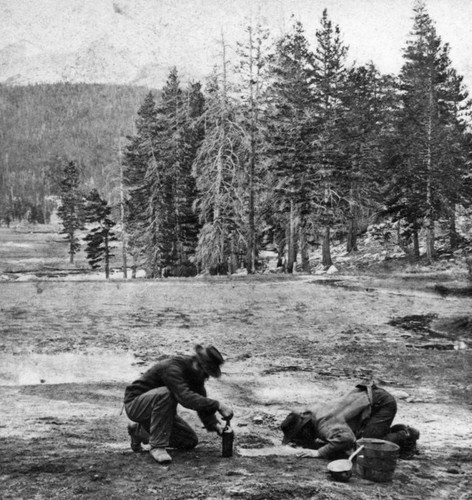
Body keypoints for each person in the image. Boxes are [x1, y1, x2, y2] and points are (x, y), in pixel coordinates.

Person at [124, 344, 233, 464]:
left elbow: (200, 400)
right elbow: (185, 398)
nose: (206, 377)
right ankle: (157, 447)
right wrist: (218, 405)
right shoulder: (172, 367)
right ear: (198, 364)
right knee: (167, 393)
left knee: (189, 441)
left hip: (157, 412)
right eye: (206, 373)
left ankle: (140, 431)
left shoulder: (195, 374)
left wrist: (215, 425)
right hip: (135, 404)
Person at [280, 382, 419, 460]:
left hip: (381, 404)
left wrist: (318, 452)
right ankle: (385, 430)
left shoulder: (325, 426)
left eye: (298, 436)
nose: (299, 440)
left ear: (305, 429)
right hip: (366, 400)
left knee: (366, 445)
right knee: (358, 440)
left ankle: (405, 435)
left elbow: (346, 439)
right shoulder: (311, 413)